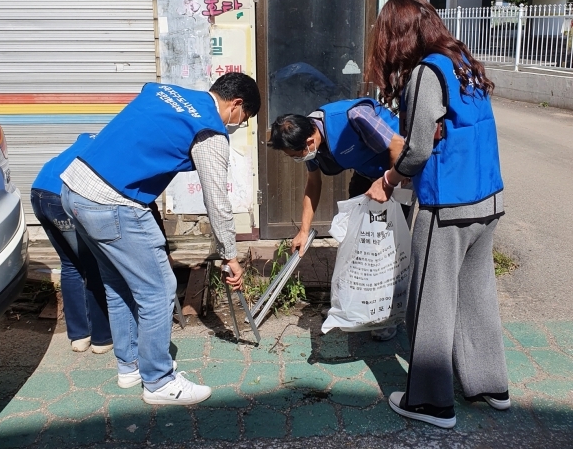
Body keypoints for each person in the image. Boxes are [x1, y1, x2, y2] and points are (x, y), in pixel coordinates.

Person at [60, 73, 260, 406]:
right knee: (158, 290)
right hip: (114, 202)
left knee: (117, 283)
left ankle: (131, 366)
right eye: (243, 119)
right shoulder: (210, 129)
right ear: (236, 105)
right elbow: (217, 200)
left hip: (74, 189)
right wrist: (230, 255)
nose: (238, 125)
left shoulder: (165, 92)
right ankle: (159, 381)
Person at [365, 0, 508, 429]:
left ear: (400, 35)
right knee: (476, 295)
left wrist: (389, 180)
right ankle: (490, 386)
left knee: (431, 303)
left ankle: (429, 403)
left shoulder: (427, 71)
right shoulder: (461, 60)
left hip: (448, 205)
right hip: (488, 199)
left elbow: (420, 145)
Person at [268, 98, 404, 341]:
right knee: (357, 246)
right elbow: (313, 184)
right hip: (366, 176)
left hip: (397, 174)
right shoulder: (310, 140)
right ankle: (356, 307)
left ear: (310, 141)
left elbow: (397, 145)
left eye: (295, 155)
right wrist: (303, 230)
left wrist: (389, 185)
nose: (296, 159)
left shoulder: (355, 117)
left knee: (385, 251)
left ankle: (388, 315)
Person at [31, 133, 113, 354]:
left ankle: (79, 336)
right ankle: (102, 338)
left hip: (38, 193)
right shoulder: (106, 150)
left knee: (70, 264)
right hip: (61, 197)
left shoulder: (85, 140)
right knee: (93, 264)